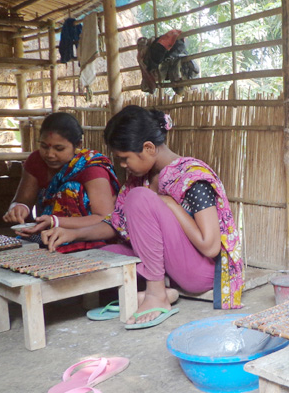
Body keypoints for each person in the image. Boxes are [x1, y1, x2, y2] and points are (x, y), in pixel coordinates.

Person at [41, 105, 244, 328]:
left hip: (198, 272)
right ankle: (163, 291)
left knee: (139, 198)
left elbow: (210, 247)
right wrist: (72, 233)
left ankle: (156, 295)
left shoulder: (193, 177)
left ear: (148, 148)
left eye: (125, 158)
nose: (123, 165)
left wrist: (168, 203)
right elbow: (115, 225)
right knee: (103, 254)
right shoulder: (141, 179)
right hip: (169, 267)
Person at [2, 112, 119, 253]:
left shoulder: (91, 168)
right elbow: (23, 201)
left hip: (90, 240)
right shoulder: (36, 161)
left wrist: (55, 221)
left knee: (71, 188)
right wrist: (18, 208)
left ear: (78, 145)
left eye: (59, 149)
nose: (50, 154)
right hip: (47, 236)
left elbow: (105, 218)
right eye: (44, 146)